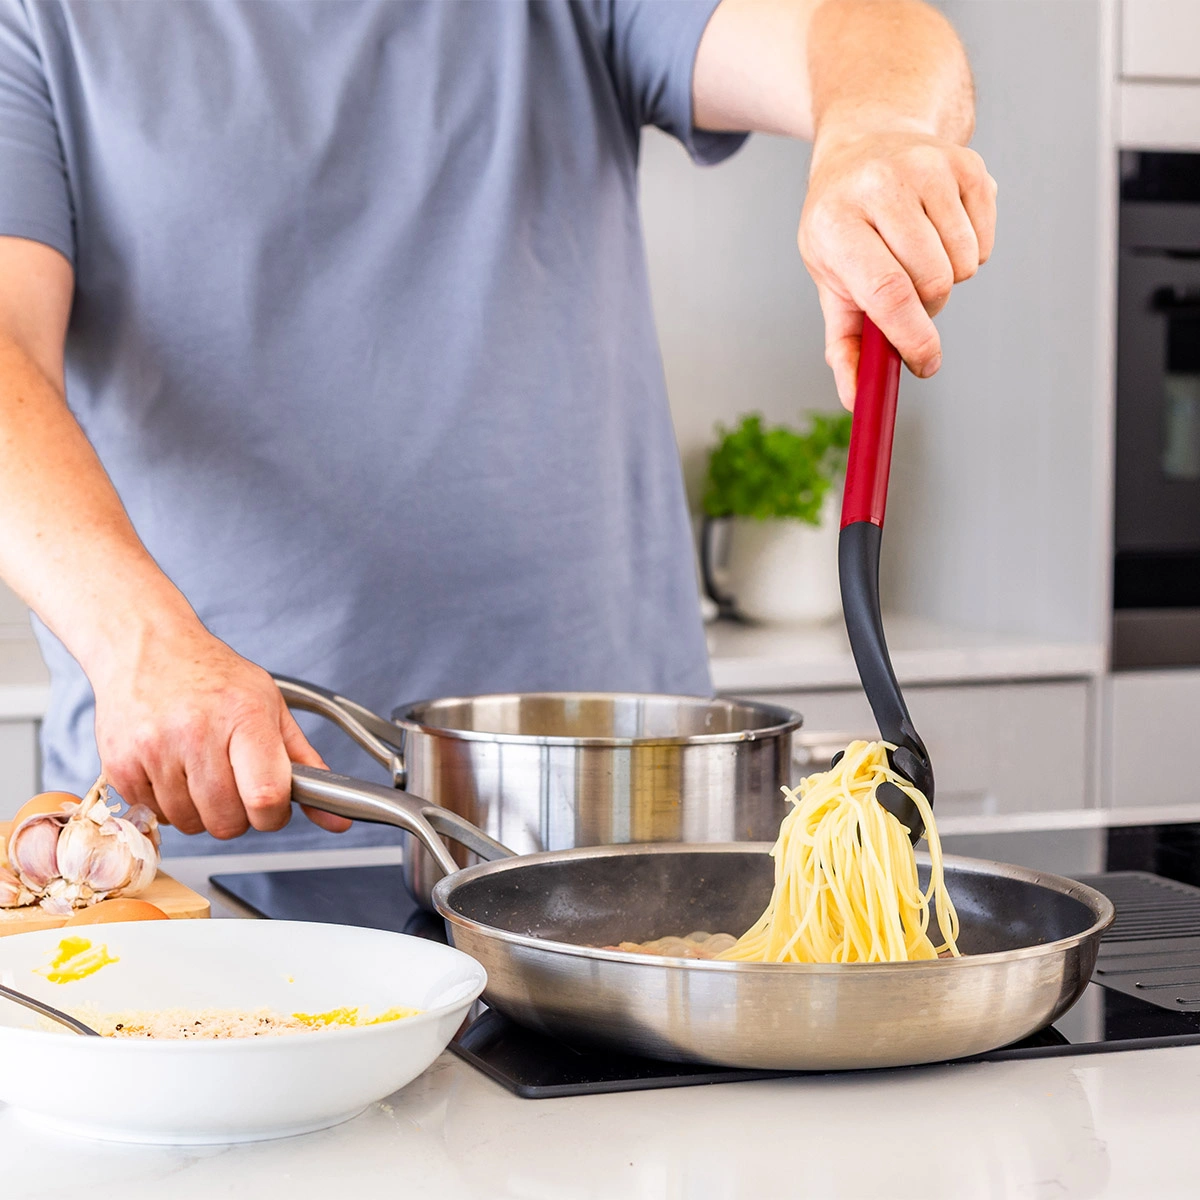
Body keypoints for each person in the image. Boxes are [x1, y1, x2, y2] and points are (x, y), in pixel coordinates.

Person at [0, 0, 996, 854]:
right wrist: (140, 643)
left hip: (621, 841)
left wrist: (874, 129)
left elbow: (864, 27)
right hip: (209, 849)